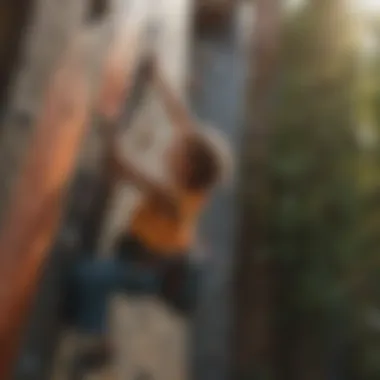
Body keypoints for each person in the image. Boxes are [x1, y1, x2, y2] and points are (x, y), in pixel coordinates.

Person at [66, 59, 232, 368]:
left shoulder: (175, 200)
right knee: (97, 279)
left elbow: (124, 169)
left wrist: (109, 130)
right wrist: (159, 78)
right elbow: (182, 118)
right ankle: (93, 313)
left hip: (146, 271)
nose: (173, 146)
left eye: (179, 151)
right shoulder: (197, 183)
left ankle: (101, 343)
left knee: (86, 277)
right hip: (141, 254)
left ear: (188, 168)